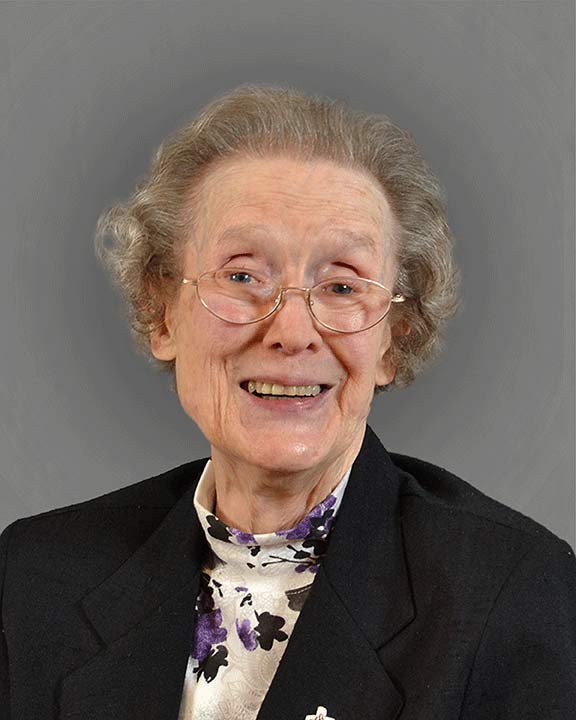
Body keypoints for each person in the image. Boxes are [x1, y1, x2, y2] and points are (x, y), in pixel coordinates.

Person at [1, 82, 575, 720]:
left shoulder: (510, 595)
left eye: (342, 286)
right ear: (162, 312)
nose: (293, 332)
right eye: (243, 275)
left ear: (394, 336)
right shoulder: (35, 576)